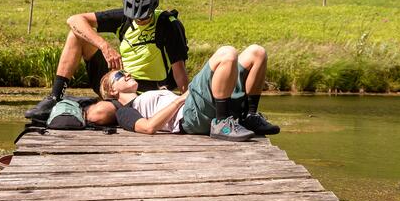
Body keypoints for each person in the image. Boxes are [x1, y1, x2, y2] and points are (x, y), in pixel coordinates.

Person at [25, 0, 188, 121]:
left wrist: (186, 103)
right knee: (76, 35)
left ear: (153, 8)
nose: (139, 20)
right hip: (116, 81)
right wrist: (104, 46)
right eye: (135, 16)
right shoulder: (124, 18)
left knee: (100, 114)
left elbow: (179, 71)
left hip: (145, 93)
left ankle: (85, 105)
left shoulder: (169, 25)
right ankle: (55, 98)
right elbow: (74, 20)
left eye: (143, 16)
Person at [92, 44, 280, 141]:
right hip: (190, 115)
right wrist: (179, 100)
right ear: (112, 90)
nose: (127, 74)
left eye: (126, 71)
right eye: (120, 75)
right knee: (226, 53)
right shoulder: (124, 110)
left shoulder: (145, 97)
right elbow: (148, 127)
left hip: (197, 108)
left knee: (257, 53)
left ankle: (250, 116)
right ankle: (222, 123)